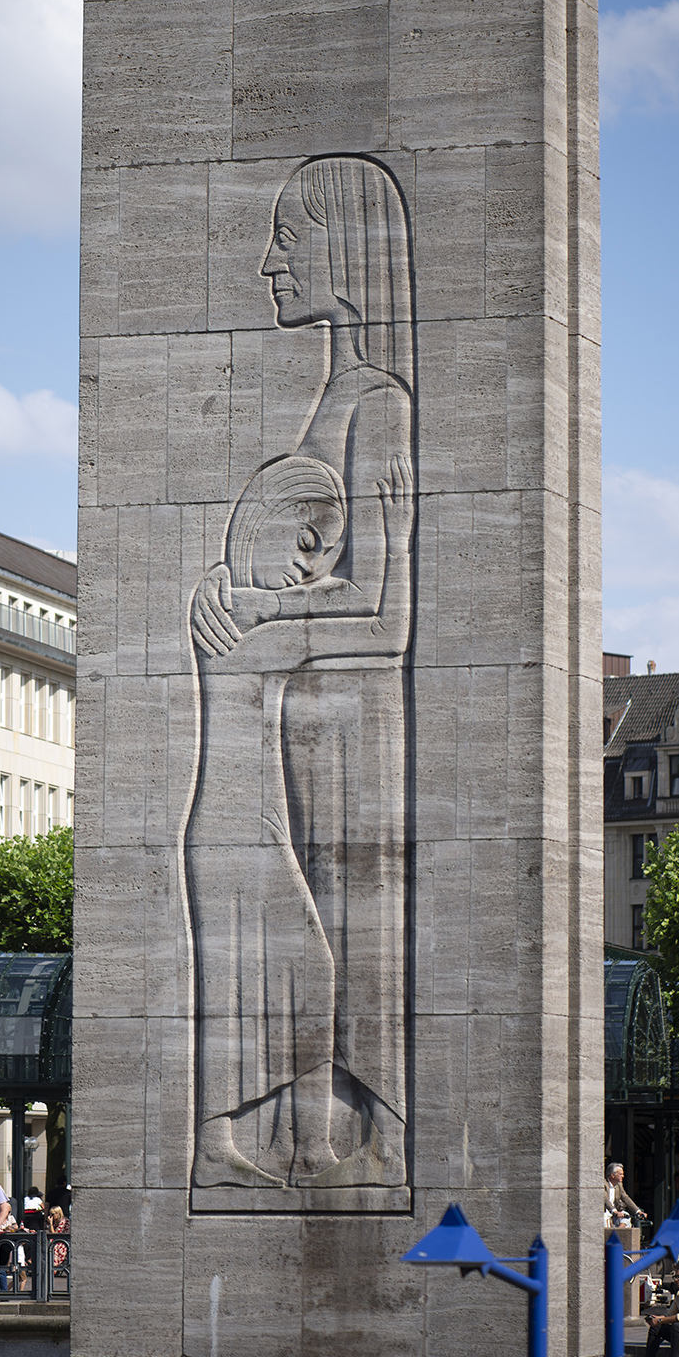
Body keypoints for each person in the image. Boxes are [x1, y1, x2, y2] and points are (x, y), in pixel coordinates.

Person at [193, 155, 415, 1188]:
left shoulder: (378, 406)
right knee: (301, 940)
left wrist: (261, 611)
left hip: (353, 728)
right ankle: (296, 1135)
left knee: (337, 947)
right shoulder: (335, 398)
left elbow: (386, 608)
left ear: (346, 251)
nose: (271, 260)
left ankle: (355, 1136)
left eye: (291, 237)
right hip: (303, 720)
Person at [185, 452, 413, 1188]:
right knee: (295, 979)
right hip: (237, 832)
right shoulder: (244, 628)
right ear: (267, 525)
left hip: (243, 828)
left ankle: (296, 1148)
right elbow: (387, 633)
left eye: (323, 553)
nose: (308, 568)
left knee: (260, 987)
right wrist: (397, 537)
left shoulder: (223, 608)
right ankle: (222, 1150)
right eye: (306, 541)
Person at [637, 1263, 679, 1357]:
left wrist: (661, 1320)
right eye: (675, 1277)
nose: (676, 1280)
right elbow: (669, 1316)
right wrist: (657, 1319)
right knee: (656, 1328)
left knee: (678, 1326)